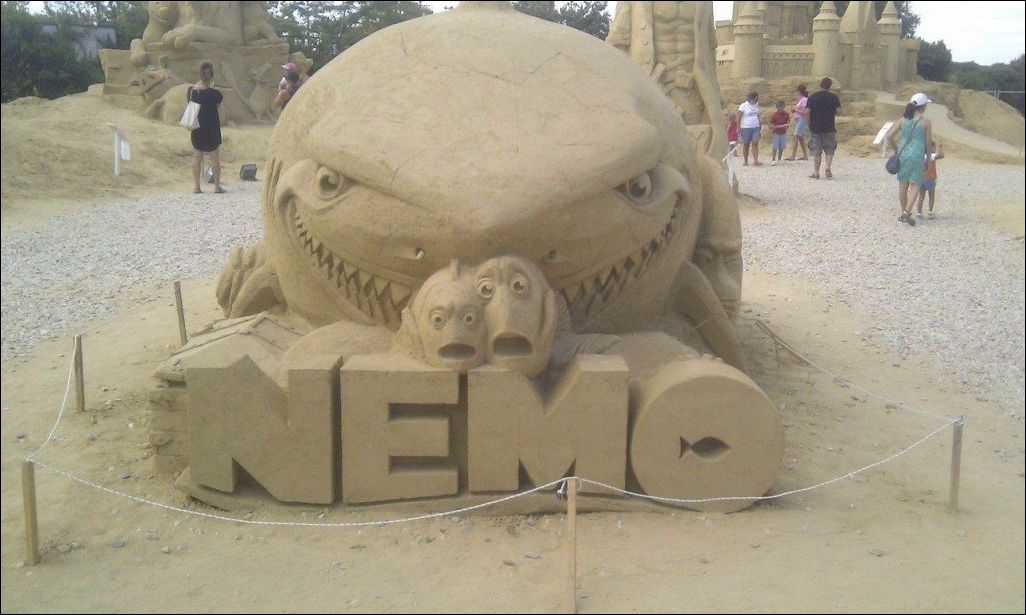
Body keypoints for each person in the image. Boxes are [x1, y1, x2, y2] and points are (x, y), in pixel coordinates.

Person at [885, 93, 934, 226]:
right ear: (923, 106)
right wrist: (929, 158)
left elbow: (889, 136)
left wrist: (896, 148)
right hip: (917, 154)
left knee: (903, 183)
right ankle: (907, 212)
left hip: (903, 153)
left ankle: (903, 212)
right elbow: (928, 142)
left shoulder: (903, 120)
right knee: (916, 183)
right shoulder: (926, 122)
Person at [188, 61, 225, 194]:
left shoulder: (193, 91)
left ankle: (197, 187)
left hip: (198, 127)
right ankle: (217, 186)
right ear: (212, 75)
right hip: (212, 127)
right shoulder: (215, 93)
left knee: (197, 157)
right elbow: (219, 106)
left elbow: (191, 106)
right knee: (214, 158)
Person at [806, 77, 841, 179]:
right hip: (829, 126)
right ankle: (828, 167)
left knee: (816, 150)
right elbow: (839, 111)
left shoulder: (812, 97)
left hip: (815, 127)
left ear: (820, 85)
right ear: (830, 86)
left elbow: (807, 112)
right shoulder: (834, 97)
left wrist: (808, 123)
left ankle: (816, 172)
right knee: (830, 148)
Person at [915, 140, 944, 219]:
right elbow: (941, 155)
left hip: (921, 178)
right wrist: (940, 147)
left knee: (921, 196)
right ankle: (930, 213)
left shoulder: (920, 156)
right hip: (930, 178)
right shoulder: (932, 155)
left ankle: (919, 213)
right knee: (931, 195)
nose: (935, 149)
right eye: (934, 147)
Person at [784, 83, 809, 161]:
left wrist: (795, 110)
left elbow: (805, 111)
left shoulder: (804, 99)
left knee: (796, 135)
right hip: (798, 119)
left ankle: (793, 155)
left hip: (802, 119)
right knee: (800, 137)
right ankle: (805, 155)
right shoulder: (801, 99)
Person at [738, 91, 762, 166]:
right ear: (752, 98)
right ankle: (746, 160)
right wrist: (738, 127)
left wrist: (759, 122)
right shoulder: (743, 105)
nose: (757, 100)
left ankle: (755, 160)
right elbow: (739, 117)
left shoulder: (756, 105)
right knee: (746, 144)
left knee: (755, 143)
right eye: (756, 98)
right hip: (746, 128)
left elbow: (757, 115)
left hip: (756, 127)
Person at [769, 100, 789, 165]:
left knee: (781, 147)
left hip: (783, 133)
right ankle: (773, 160)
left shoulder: (786, 114)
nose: (780, 108)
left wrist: (786, 125)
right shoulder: (774, 115)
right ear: (776, 107)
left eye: (781, 106)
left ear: (784, 107)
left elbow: (788, 124)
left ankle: (779, 158)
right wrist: (780, 126)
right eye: (779, 106)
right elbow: (770, 125)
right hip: (776, 133)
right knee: (775, 147)